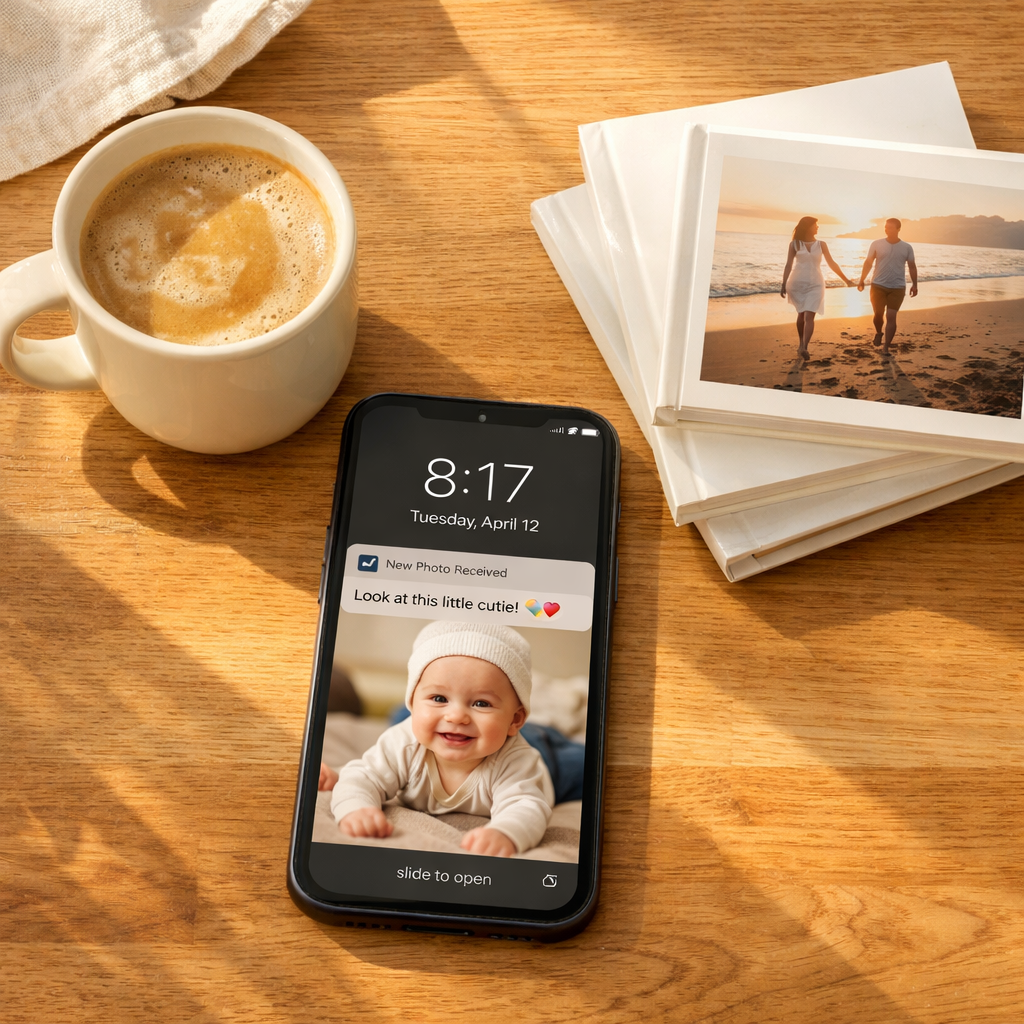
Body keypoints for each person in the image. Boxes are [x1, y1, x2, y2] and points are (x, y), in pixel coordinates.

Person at [321, 621, 554, 857]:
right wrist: (356, 807)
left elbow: (526, 806)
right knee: (395, 722)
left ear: (515, 719)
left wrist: (506, 833)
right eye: (439, 698)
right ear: (412, 701)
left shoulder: (516, 761)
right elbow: (364, 777)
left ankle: (550, 731)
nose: (456, 716)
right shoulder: (404, 743)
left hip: (548, 759)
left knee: (573, 761)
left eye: (481, 703)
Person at [780, 216, 855, 359]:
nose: (817, 227)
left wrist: (846, 280)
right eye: (815, 225)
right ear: (807, 226)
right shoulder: (794, 244)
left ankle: (804, 347)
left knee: (810, 315)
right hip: (797, 283)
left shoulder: (821, 244)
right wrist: (783, 283)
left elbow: (832, 263)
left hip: (816, 284)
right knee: (801, 314)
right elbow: (788, 265)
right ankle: (801, 343)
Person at [857, 218, 918, 357]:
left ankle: (885, 347)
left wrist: (915, 284)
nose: (887, 230)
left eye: (890, 227)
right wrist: (861, 279)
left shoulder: (907, 247)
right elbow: (868, 262)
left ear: (898, 229)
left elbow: (912, 267)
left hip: (897, 287)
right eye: (885, 227)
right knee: (878, 315)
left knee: (891, 316)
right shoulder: (876, 244)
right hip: (878, 285)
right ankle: (879, 332)